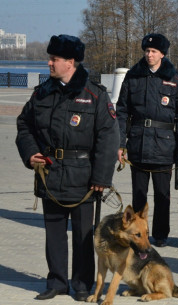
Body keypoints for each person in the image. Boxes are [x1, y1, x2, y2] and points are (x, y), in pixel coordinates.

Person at [15, 34, 119, 301]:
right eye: (50, 58)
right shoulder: (42, 93)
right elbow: (24, 125)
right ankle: (57, 282)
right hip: (50, 173)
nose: (49, 63)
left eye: (54, 59)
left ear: (70, 62)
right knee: (54, 234)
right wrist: (30, 154)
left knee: (84, 236)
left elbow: (108, 136)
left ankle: (82, 284)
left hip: (84, 177)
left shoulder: (95, 94)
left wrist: (101, 177)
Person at [116, 33, 178, 247]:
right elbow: (121, 112)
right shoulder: (133, 76)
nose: (149, 55)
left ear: (162, 54)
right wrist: (120, 144)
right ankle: (138, 234)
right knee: (139, 195)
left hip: (164, 145)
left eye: (153, 52)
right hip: (138, 143)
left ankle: (160, 235)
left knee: (162, 195)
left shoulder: (176, 79)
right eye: (147, 51)